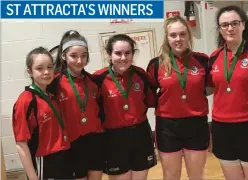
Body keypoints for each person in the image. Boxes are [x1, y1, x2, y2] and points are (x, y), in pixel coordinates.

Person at [207, 5, 248, 180]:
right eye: (224, 25)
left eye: (234, 23)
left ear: (244, 25)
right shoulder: (214, 56)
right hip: (222, 127)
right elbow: (209, 88)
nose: (230, 28)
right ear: (219, 29)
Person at [146, 15, 210, 180]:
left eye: (182, 34)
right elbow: (150, 95)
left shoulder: (203, 60)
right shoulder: (156, 64)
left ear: (189, 35)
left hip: (196, 124)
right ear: (167, 38)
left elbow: (209, 88)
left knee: (196, 175)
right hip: (167, 127)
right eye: (173, 35)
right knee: (171, 175)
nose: (178, 39)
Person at [92, 34, 157, 180]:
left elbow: (151, 100)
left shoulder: (141, 75)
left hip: (140, 134)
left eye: (128, 53)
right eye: (118, 53)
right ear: (109, 55)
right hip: (113, 138)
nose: (123, 58)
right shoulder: (97, 79)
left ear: (133, 54)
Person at [48, 30, 104, 180]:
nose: (79, 60)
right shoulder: (54, 83)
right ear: (63, 56)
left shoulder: (93, 82)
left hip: (95, 141)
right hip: (72, 145)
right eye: (73, 56)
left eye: (84, 55)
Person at [12, 47, 73, 179]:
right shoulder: (25, 101)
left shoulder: (52, 96)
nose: (46, 72)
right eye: (40, 68)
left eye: (50, 67)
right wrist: (33, 177)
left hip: (64, 157)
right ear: (30, 71)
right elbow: (21, 145)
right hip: (44, 161)